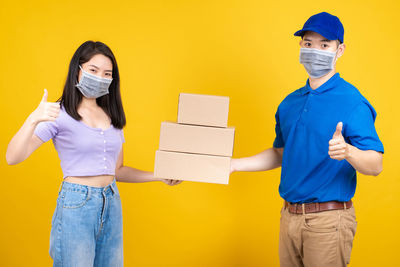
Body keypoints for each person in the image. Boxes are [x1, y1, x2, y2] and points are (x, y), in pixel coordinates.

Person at [6, 41, 181, 267]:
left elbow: (117, 171)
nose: (100, 77)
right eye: (93, 70)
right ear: (77, 70)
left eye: (107, 73)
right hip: (77, 203)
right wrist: (33, 119)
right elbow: (13, 157)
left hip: (111, 200)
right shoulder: (59, 113)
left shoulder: (112, 116)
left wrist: (159, 175)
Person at [230, 12, 384, 267]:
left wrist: (348, 152)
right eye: (308, 43)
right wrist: (234, 164)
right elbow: (281, 153)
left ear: (340, 50)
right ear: (300, 46)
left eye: (324, 45)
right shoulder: (289, 103)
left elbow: (375, 165)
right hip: (289, 218)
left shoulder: (352, 101)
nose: (315, 50)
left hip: (328, 222)